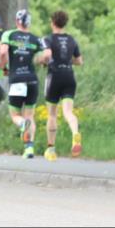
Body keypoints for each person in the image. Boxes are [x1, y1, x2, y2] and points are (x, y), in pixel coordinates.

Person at [0, 9, 44, 158]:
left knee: (15, 115)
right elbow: (44, 56)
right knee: (30, 115)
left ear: (17, 21)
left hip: (17, 79)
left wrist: (3, 66)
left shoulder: (8, 34)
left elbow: (3, 52)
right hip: (32, 80)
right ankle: (29, 149)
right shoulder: (35, 39)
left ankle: (22, 124)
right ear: (29, 23)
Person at [38, 11, 83, 160]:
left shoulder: (48, 39)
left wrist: (43, 61)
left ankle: (51, 150)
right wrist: (67, 61)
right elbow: (79, 61)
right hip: (69, 76)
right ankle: (75, 134)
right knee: (68, 112)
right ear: (65, 23)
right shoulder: (72, 40)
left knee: (52, 114)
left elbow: (46, 55)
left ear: (52, 22)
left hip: (55, 77)